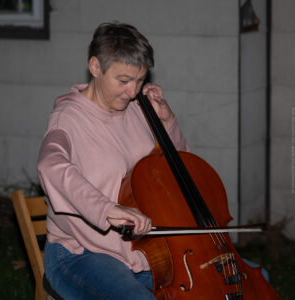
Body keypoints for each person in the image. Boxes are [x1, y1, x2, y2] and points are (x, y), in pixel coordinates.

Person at [37, 22, 189, 300]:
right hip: (81, 253)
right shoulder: (67, 119)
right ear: (95, 67)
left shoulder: (138, 109)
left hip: (145, 251)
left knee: (244, 280)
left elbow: (175, 171)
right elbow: (51, 166)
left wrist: (167, 123)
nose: (133, 92)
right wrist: (106, 209)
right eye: (123, 80)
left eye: (140, 80)